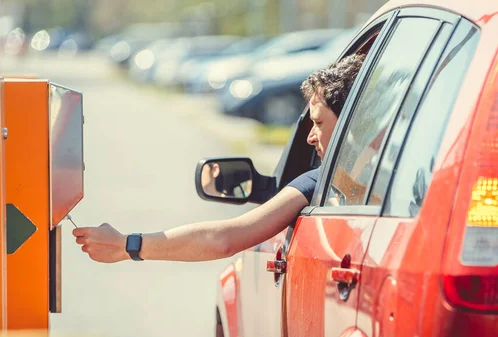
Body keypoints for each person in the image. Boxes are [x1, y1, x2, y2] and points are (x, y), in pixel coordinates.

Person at [73, 54, 365, 263]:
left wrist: (127, 245)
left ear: (354, 123)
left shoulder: (324, 181)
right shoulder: (394, 177)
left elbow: (225, 239)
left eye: (319, 123)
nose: (310, 137)